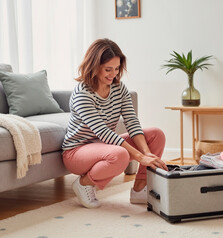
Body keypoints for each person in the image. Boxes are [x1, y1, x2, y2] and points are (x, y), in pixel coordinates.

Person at [62, 38, 168, 208]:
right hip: (77, 151)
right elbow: (103, 132)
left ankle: (140, 189)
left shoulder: (119, 88)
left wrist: (147, 153)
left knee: (156, 134)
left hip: (104, 146)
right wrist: (140, 156)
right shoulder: (82, 94)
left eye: (117, 68)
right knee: (120, 154)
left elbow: (132, 121)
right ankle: (84, 183)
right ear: (94, 66)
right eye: (108, 69)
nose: (113, 74)